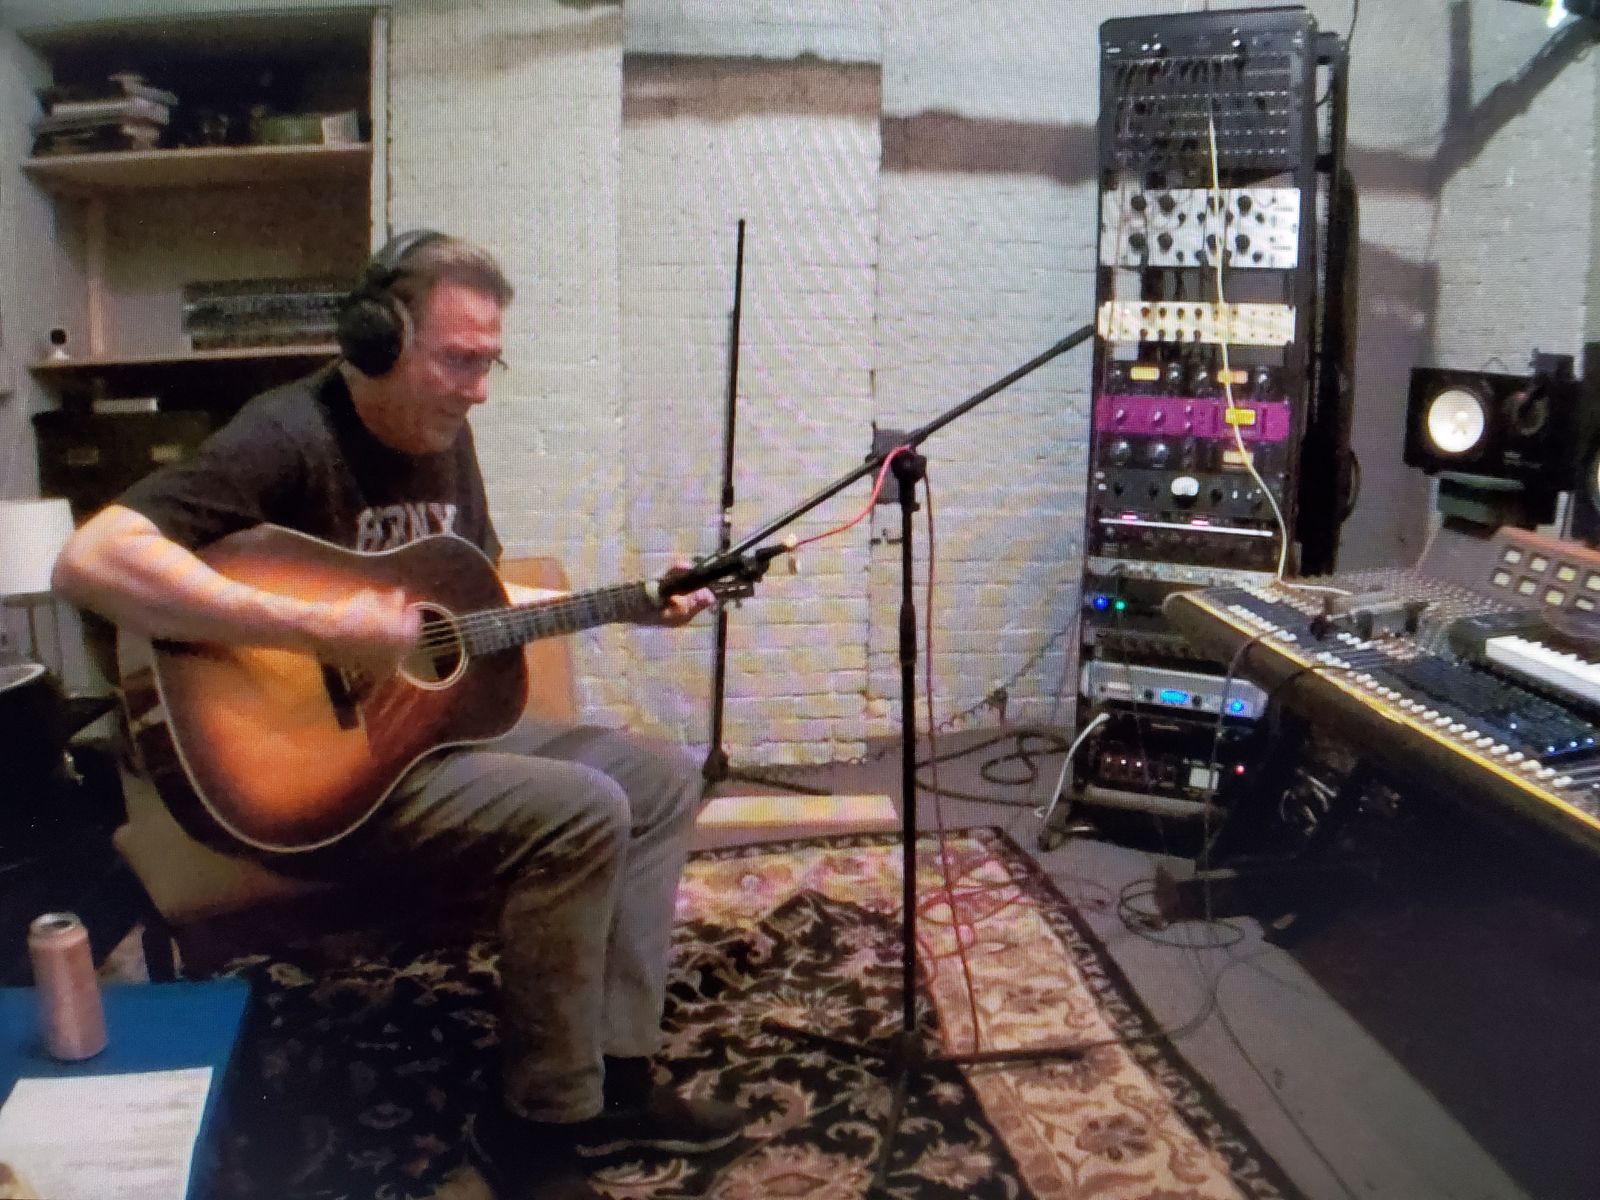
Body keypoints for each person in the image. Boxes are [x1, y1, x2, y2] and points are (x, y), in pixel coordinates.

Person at [51, 231, 743, 1200]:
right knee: (582, 808)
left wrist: (627, 602)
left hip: (424, 744)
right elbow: (90, 559)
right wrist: (320, 628)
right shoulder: (286, 433)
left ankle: (617, 1074)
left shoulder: (446, 441)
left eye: (490, 364)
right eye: (458, 361)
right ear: (376, 339)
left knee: (659, 779)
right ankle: (535, 1123)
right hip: (309, 786)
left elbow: (474, 601)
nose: (479, 391)